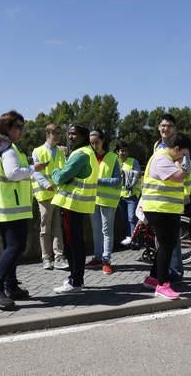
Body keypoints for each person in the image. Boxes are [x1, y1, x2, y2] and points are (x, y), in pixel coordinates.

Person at [0, 110, 47, 309]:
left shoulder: (3, 146)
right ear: (7, 128)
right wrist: (35, 168)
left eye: (21, 126)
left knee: (12, 247)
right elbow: (13, 174)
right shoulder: (8, 148)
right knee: (15, 247)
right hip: (11, 207)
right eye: (18, 126)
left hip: (8, 206)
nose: (21, 130)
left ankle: (11, 287)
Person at [140, 132, 191, 300]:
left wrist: (179, 162)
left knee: (165, 245)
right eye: (183, 153)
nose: (183, 157)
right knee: (167, 245)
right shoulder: (162, 159)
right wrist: (187, 165)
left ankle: (153, 278)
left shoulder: (167, 158)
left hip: (165, 209)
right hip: (159, 209)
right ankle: (163, 285)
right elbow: (178, 177)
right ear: (177, 149)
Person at [50, 124, 99, 294]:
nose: (70, 137)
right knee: (76, 243)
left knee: (72, 244)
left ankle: (75, 281)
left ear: (83, 137)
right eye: (69, 134)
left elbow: (60, 177)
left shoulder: (80, 154)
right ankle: (76, 279)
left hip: (72, 204)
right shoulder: (88, 152)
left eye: (74, 134)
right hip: (79, 205)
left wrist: (55, 171)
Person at [152, 113, 191, 282]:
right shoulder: (158, 146)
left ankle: (174, 272)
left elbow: (183, 170)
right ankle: (161, 274)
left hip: (176, 197)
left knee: (171, 240)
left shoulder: (179, 146)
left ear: (174, 129)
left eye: (168, 126)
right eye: (162, 125)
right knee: (164, 241)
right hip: (162, 200)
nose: (164, 128)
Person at [31, 124, 68, 271]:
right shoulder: (37, 151)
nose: (58, 135)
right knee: (45, 227)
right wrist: (46, 184)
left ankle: (59, 257)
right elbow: (36, 171)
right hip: (44, 194)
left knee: (58, 227)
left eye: (59, 133)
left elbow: (64, 170)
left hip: (57, 194)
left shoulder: (60, 152)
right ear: (48, 133)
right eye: (55, 133)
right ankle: (46, 258)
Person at [86, 129, 121, 275]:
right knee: (96, 231)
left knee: (107, 231)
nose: (94, 145)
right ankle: (97, 257)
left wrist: (99, 181)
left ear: (103, 140)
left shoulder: (113, 157)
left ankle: (106, 260)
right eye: (92, 143)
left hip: (108, 200)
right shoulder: (89, 157)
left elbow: (117, 180)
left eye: (97, 142)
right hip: (92, 199)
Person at [117, 141, 142, 247]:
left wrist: (127, 179)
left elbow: (137, 174)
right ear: (117, 152)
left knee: (132, 218)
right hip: (119, 196)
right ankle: (127, 239)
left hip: (131, 195)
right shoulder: (116, 162)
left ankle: (134, 240)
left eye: (125, 151)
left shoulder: (133, 161)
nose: (123, 153)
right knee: (123, 220)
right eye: (121, 151)